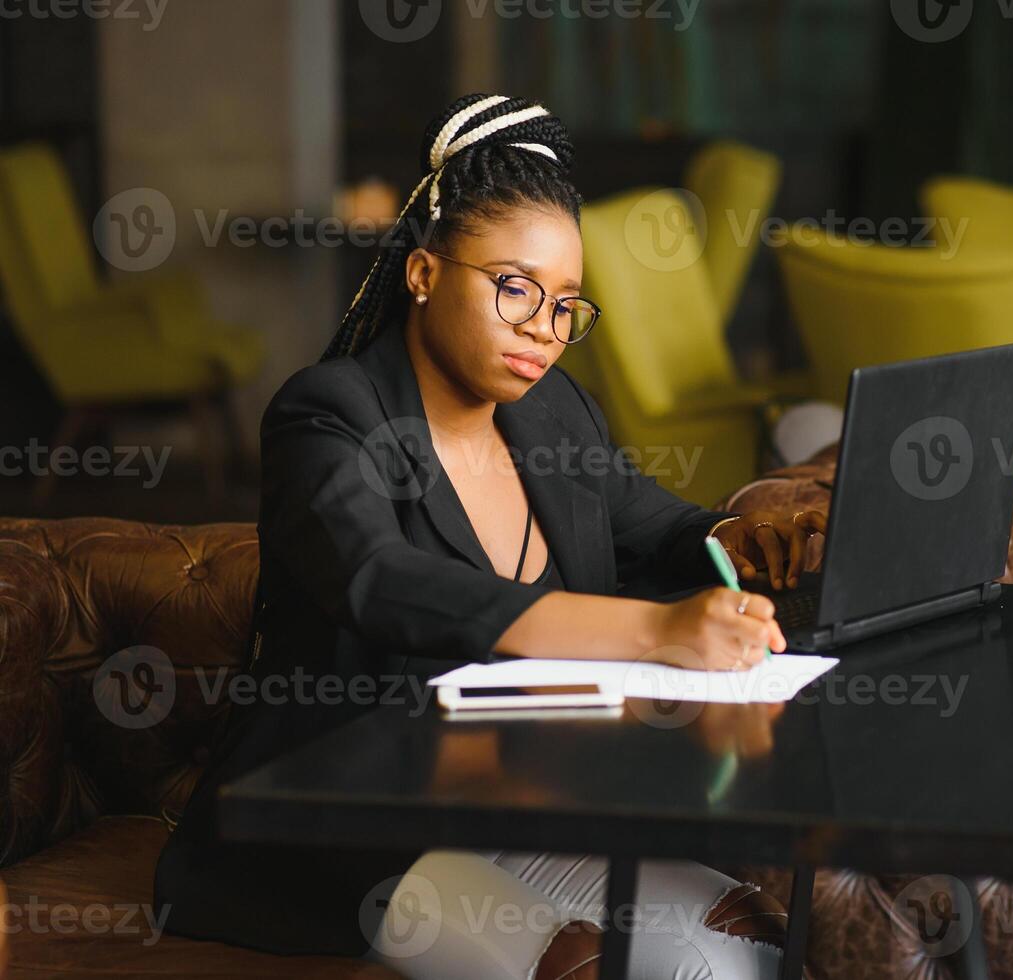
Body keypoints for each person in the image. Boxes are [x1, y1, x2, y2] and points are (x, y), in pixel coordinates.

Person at [153, 94, 825, 979]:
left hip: (520, 806)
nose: (542, 331)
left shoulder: (549, 412)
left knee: (758, 944)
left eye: (565, 307)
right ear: (425, 272)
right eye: (515, 288)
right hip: (349, 840)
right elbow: (377, 578)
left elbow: (647, 519)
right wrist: (657, 631)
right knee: (583, 966)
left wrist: (740, 537)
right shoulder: (328, 417)